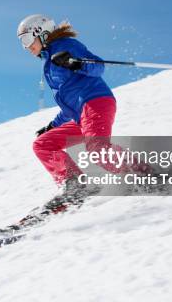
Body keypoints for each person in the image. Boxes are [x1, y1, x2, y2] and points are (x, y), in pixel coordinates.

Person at [17, 14, 149, 210]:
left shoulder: (65, 45)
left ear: (41, 33)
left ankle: (147, 175)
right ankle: (75, 183)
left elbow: (98, 67)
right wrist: (53, 125)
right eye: (22, 43)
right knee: (43, 144)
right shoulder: (49, 63)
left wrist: (76, 63)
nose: (26, 47)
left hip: (96, 102)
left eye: (27, 40)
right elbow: (69, 105)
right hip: (81, 115)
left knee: (97, 150)